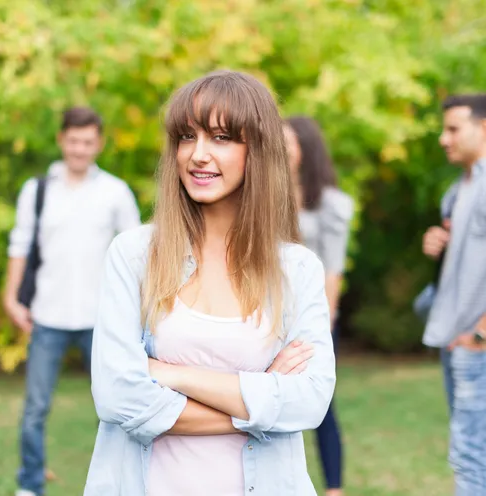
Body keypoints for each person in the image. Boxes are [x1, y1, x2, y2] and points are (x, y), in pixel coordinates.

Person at [84, 70, 335, 496]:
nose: (197, 154)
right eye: (186, 137)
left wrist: (164, 373)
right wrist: (260, 398)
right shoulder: (134, 255)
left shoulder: (297, 270)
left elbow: (308, 402)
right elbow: (115, 396)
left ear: (257, 150)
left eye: (220, 137)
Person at [4, 106, 141, 496]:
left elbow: (135, 253)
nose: (80, 149)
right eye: (73, 141)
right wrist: (12, 297)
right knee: (34, 410)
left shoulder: (115, 192)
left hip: (103, 318)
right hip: (47, 314)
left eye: (87, 142)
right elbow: (19, 244)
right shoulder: (38, 189)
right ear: (62, 139)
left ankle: (118, 482)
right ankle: (30, 484)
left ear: (98, 144)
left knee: (115, 408)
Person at [283, 116, 353, 496]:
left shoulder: (330, 203)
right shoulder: (263, 195)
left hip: (314, 320)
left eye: (288, 142)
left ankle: (333, 489)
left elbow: (334, 266)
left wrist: (323, 323)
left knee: (322, 407)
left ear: (305, 149)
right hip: (269, 317)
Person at [421, 94, 486, 496]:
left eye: (453, 129)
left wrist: (481, 334)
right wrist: (437, 242)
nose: (444, 139)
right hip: (457, 341)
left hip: (476, 346)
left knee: (470, 456)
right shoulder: (458, 190)